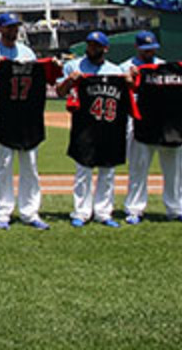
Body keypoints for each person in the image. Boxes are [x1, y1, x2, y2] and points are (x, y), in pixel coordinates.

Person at [121, 31, 182, 226]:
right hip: (139, 123)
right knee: (138, 168)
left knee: (175, 170)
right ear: (137, 48)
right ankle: (134, 209)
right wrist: (128, 79)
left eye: (151, 49)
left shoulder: (166, 67)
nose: (149, 52)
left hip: (169, 124)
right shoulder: (126, 67)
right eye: (145, 49)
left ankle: (177, 210)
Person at [0, 13, 53, 231]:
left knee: (30, 163)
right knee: (4, 163)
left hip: (26, 112)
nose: (13, 31)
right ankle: (2, 211)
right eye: (9, 27)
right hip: (2, 110)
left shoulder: (27, 52)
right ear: (0, 29)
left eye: (15, 27)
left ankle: (30, 212)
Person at [58, 31, 134, 228]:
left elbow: (131, 95)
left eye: (96, 46)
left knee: (107, 171)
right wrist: (70, 80)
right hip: (84, 126)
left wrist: (129, 82)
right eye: (90, 45)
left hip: (110, 126)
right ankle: (81, 212)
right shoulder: (74, 66)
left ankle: (103, 212)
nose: (92, 49)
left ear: (105, 49)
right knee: (83, 170)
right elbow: (60, 91)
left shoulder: (116, 71)